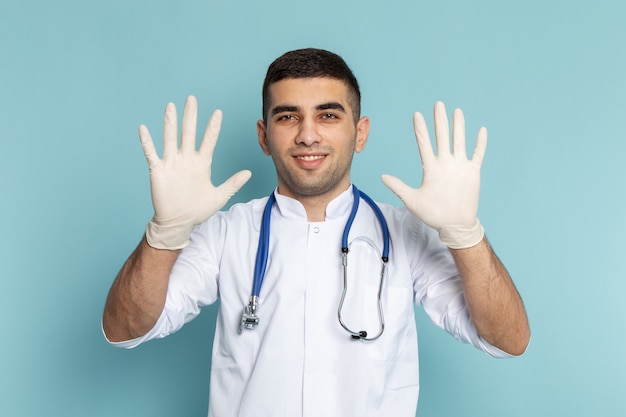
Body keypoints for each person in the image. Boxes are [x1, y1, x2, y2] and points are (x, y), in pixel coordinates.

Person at [102, 48, 530, 417]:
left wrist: (465, 235)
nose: (308, 135)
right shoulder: (225, 233)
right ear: (263, 135)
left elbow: (508, 340)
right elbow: (125, 329)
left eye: (328, 114)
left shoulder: (405, 234)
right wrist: (165, 233)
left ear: (359, 133)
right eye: (288, 116)